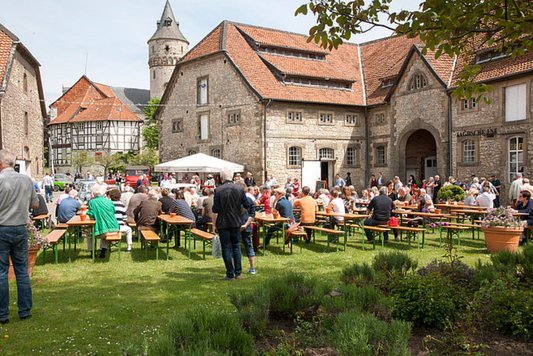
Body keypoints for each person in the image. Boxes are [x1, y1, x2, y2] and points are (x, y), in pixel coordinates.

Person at [0, 149, 39, 324]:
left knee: (2, 272)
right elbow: (36, 204)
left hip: (2, 228)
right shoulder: (25, 179)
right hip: (21, 228)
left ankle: (2, 313)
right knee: (22, 270)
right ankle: (24, 310)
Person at [212, 167, 251, 280]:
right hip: (235, 221)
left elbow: (215, 209)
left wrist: (214, 225)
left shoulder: (218, 190)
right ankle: (238, 273)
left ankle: (230, 274)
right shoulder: (239, 188)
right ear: (233, 177)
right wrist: (239, 212)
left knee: (226, 247)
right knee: (236, 246)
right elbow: (247, 204)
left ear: (222, 177)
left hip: (223, 222)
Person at [87, 184, 120, 258]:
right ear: (103, 193)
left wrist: (88, 213)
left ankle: (92, 252)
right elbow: (113, 211)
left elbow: (91, 214)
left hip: (103, 230)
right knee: (103, 227)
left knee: (89, 232)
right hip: (114, 228)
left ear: (94, 194)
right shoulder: (109, 202)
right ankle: (103, 250)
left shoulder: (92, 202)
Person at [235, 181, 256, 274]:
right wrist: (246, 224)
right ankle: (252, 268)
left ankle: (235, 268)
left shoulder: (233, 200)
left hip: (235, 225)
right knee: (248, 246)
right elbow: (252, 214)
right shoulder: (249, 200)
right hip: (246, 226)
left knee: (235, 247)